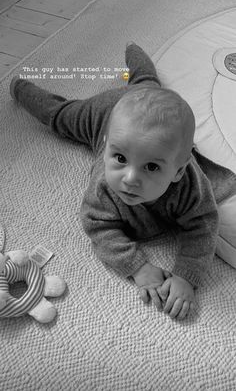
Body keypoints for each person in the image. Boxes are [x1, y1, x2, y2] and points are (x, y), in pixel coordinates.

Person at [10, 43, 236, 320]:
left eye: (151, 166)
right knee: (60, 117)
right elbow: (98, 226)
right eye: (119, 158)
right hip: (105, 113)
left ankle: (135, 54)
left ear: (178, 171)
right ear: (106, 147)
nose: (129, 179)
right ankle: (19, 87)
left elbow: (203, 225)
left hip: (149, 99)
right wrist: (138, 267)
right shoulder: (104, 184)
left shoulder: (190, 184)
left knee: (148, 83)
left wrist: (187, 276)